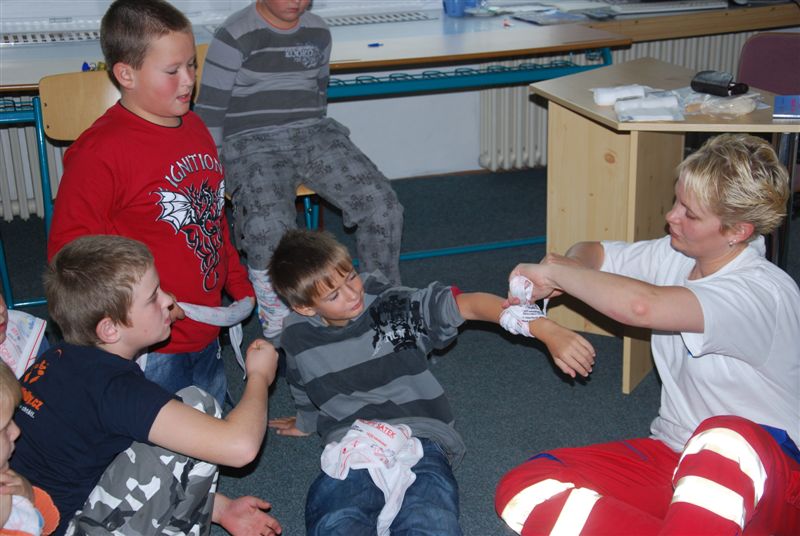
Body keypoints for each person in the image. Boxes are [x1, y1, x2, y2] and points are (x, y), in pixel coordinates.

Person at [495, 133, 800, 534]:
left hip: (769, 475)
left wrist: (557, 275)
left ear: (738, 231)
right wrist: (571, 269)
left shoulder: (761, 293)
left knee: (725, 437)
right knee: (526, 488)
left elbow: (642, 306)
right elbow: (594, 251)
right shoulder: (676, 254)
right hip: (676, 456)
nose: (671, 217)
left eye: (690, 213)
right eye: (677, 200)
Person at [265, 229, 595, 535]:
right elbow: (302, 381)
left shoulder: (390, 307)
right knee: (337, 518)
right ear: (304, 307)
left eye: (351, 276)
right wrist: (306, 422)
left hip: (420, 435)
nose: (353, 294)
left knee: (430, 517)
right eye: (334, 294)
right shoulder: (296, 334)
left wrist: (546, 329)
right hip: (353, 443)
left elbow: (468, 305)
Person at [46, 0, 254, 407]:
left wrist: (236, 279)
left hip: (205, 327)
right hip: (151, 346)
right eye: (172, 71)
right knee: (153, 440)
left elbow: (211, 217)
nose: (188, 81)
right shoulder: (99, 154)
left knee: (207, 419)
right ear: (126, 74)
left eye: (192, 65)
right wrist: (140, 305)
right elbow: (68, 257)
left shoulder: (194, 126)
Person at [10, 235, 282, 536]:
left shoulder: (57, 358)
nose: (168, 300)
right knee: (197, 405)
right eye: (153, 297)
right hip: (52, 526)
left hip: (29, 513)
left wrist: (220, 508)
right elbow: (240, 447)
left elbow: (107, 454)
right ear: (110, 329)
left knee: (156, 428)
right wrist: (259, 376)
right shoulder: (114, 388)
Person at [195, 0, 404, 340]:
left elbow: (318, 93)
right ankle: (281, 318)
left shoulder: (318, 30)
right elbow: (210, 111)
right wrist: (213, 171)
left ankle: (380, 301)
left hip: (313, 133)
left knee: (382, 206)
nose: (297, 1)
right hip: (251, 141)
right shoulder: (234, 35)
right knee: (267, 226)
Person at [1, 361, 59, 536]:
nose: (16, 431)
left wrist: (28, 494)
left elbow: (48, 522)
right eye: (4, 428)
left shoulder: (7, 479)